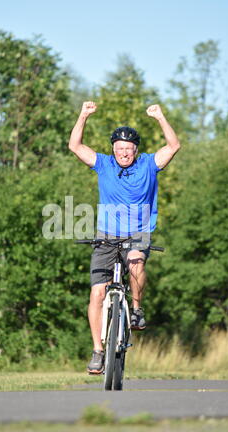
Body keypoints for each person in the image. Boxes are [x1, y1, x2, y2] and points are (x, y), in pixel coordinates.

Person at [69, 102, 181, 374]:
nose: (123, 153)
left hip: (137, 234)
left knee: (136, 262)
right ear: (113, 150)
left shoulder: (148, 164)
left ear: (135, 151)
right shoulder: (104, 164)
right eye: (118, 149)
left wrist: (160, 117)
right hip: (106, 236)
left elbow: (173, 146)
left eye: (128, 149)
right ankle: (97, 350)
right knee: (97, 293)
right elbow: (75, 146)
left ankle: (136, 308)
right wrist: (83, 115)